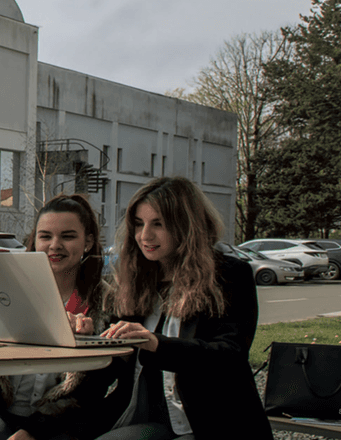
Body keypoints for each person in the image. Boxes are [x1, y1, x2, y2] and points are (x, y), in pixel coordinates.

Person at [95, 177, 273, 440]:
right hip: (150, 418)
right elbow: (113, 354)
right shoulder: (136, 278)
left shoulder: (230, 274)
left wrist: (157, 344)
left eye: (159, 224)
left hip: (213, 423)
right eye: (139, 224)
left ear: (187, 226)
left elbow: (230, 354)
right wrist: (89, 334)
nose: (145, 236)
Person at [0, 193, 108, 440]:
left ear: (88, 241)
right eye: (45, 236)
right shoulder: (2, 289)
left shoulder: (104, 302)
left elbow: (92, 388)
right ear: (34, 240)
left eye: (68, 236)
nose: (55, 245)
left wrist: (87, 343)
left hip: (60, 421)